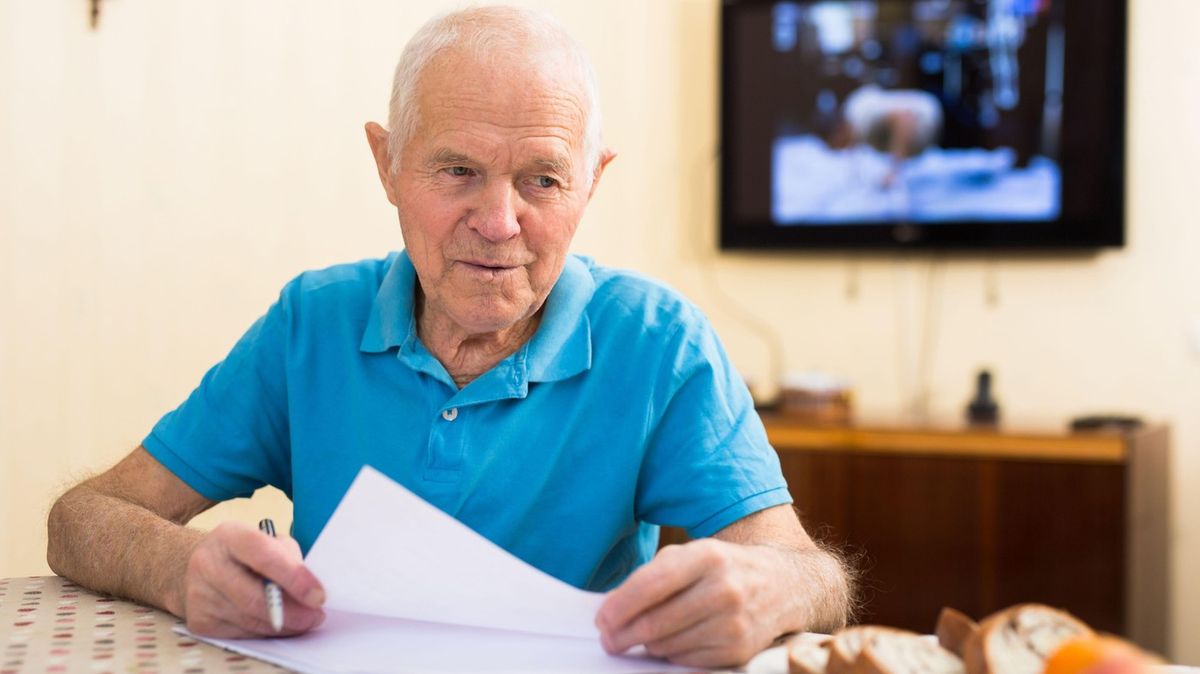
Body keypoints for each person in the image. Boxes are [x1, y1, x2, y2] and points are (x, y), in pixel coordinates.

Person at [46, 6, 851, 668]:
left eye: (542, 178)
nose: (499, 224)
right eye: (457, 170)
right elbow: (83, 518)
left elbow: (812, 573)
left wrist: (760, 590)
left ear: (591, 181)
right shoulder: (311, 323)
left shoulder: (658, 342)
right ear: (388, 164)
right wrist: (181, 569)